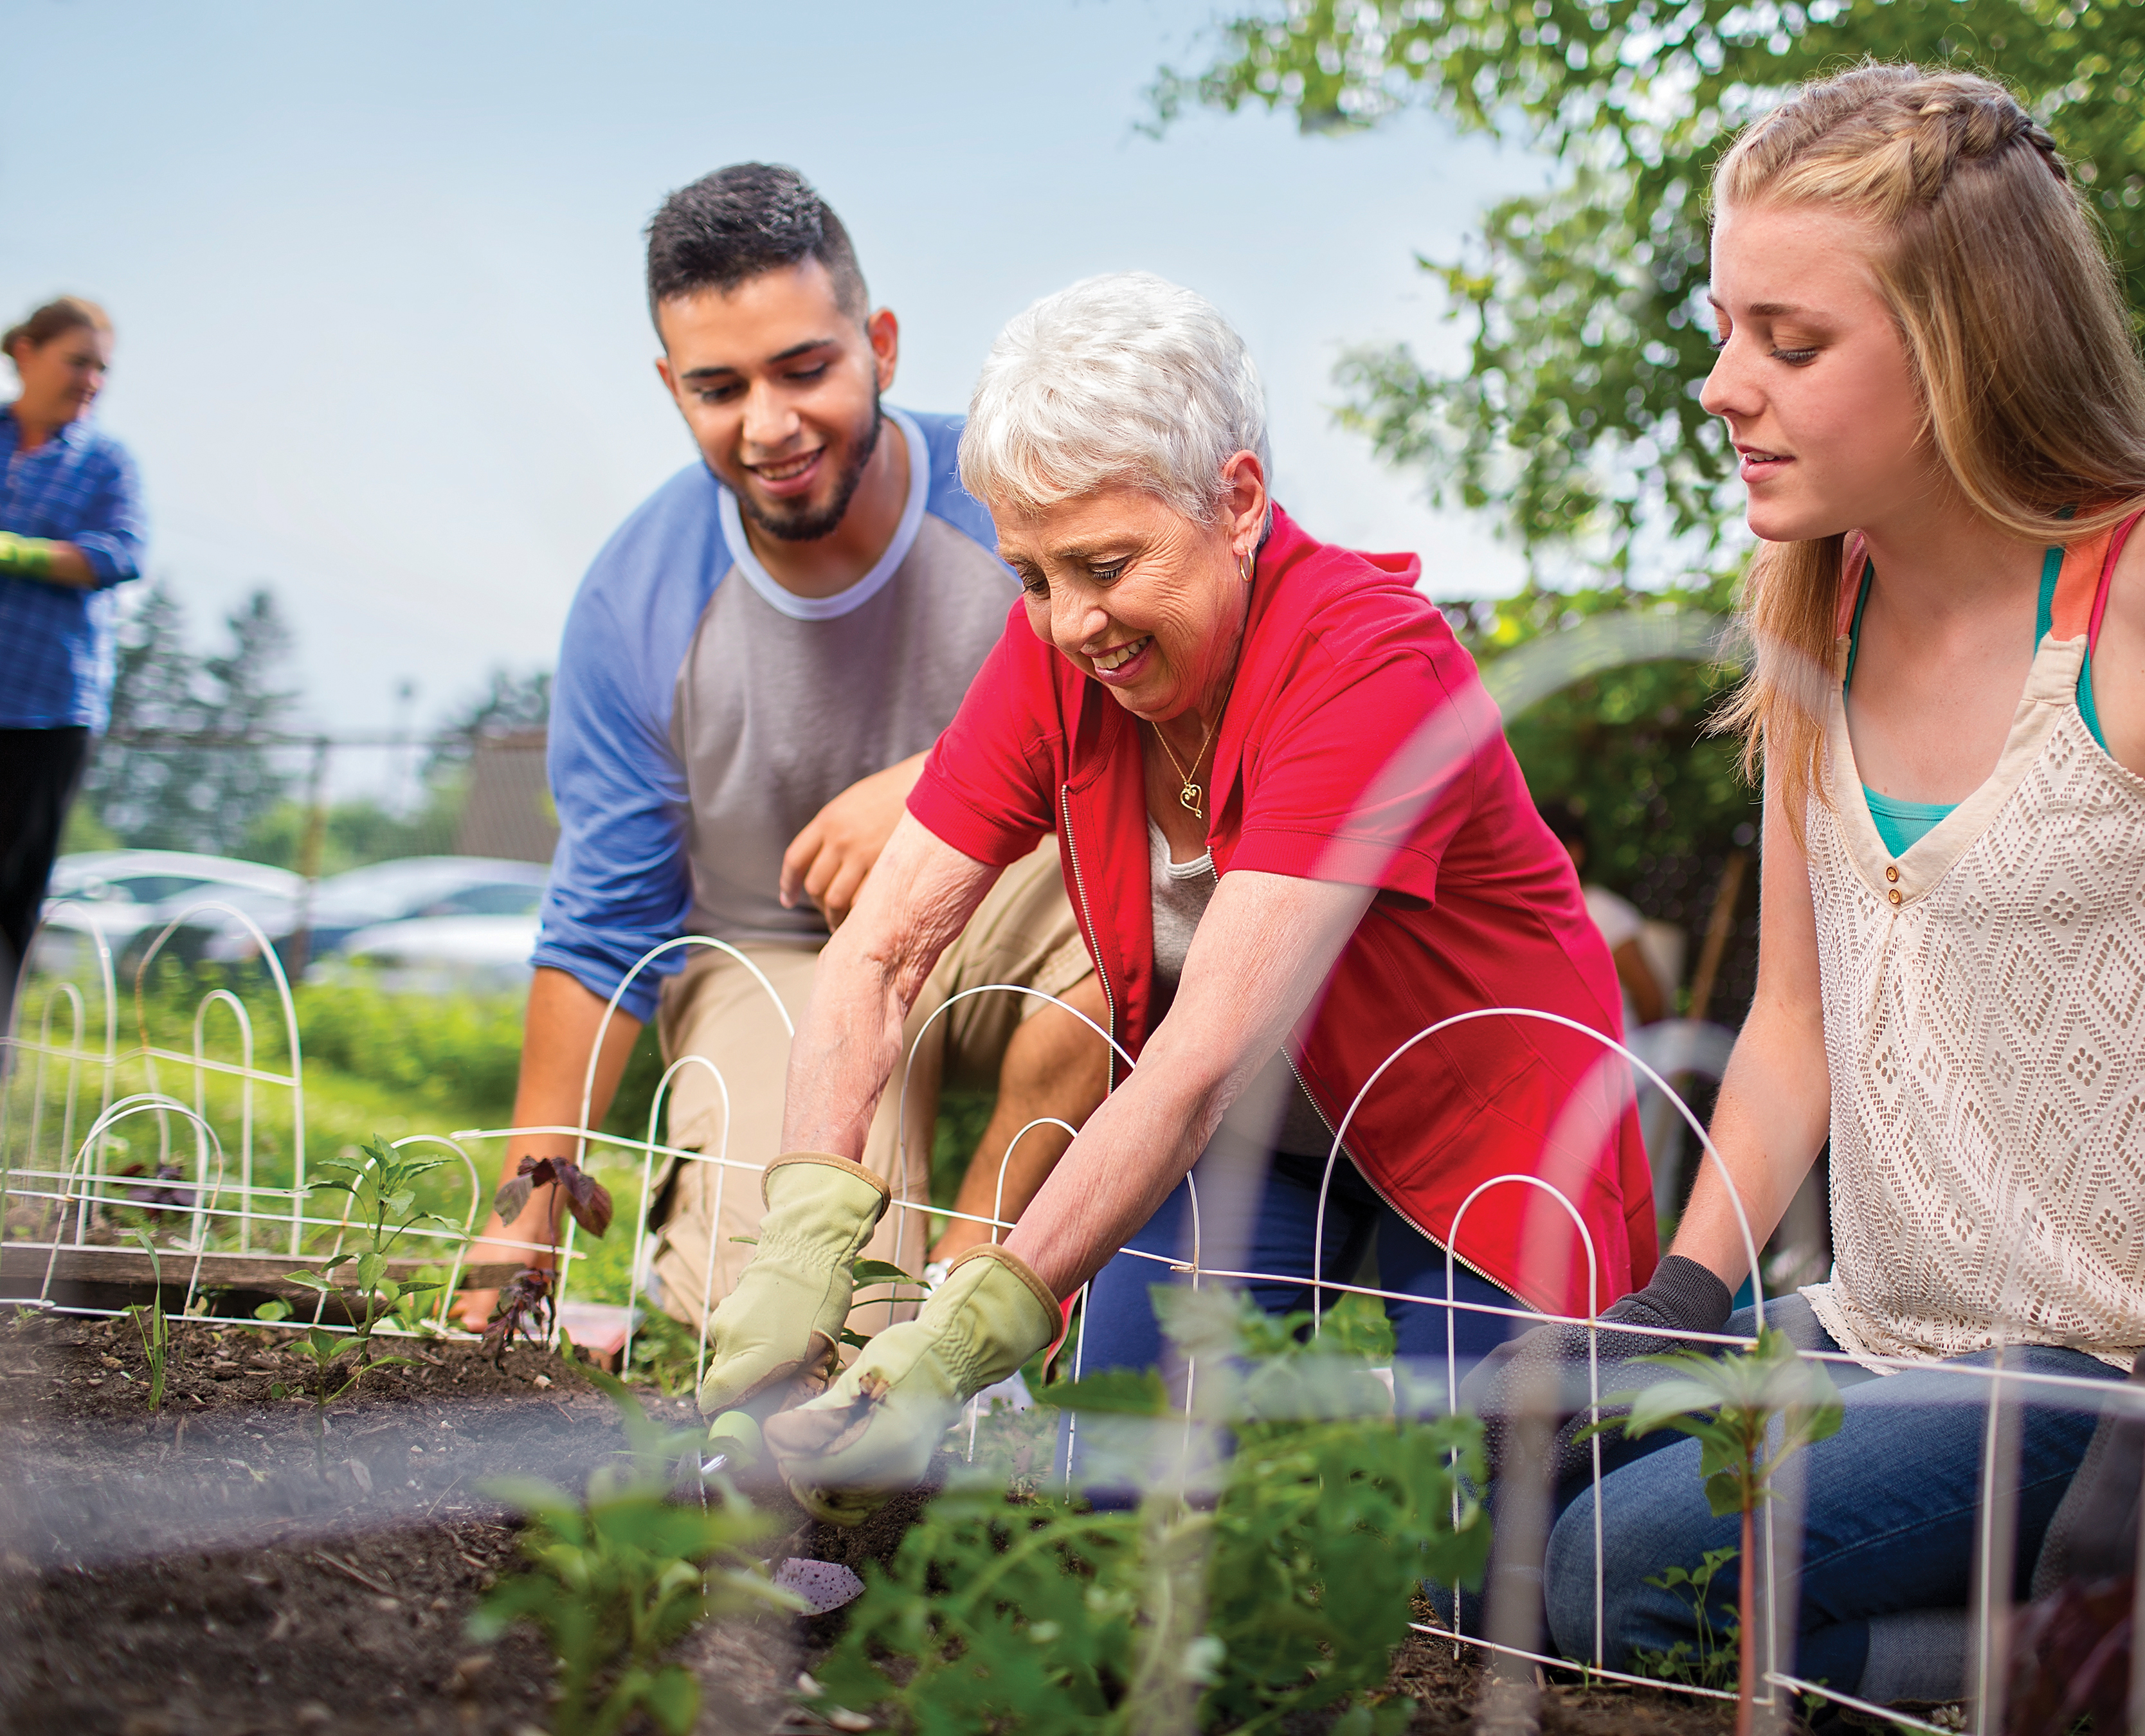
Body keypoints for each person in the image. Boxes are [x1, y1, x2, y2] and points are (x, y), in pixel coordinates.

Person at [1489, 64, 2145, 1708]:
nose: (1721, 385)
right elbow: (1794, 1022)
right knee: (1484, 1520)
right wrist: (1683, 1300)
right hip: (1907, 1348)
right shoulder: (1809, 601)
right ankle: (2136, 1620)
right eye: (1723, 329)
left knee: (1612, 1585)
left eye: (1789, 342)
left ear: (1961, 345)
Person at [693, 272, 1660, 1519]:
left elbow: (1196, 1062)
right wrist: (806, 1232)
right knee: (1117, 1495)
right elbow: (879, 953)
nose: (1071, 623)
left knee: (1480, 1562)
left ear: (1238, 502)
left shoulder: (1368, 662)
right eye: (1033, 574)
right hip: (1257, 1131)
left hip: (1484, 1123)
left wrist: (968, 1321)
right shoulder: (1051, 658)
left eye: (1106, 564)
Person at [458, 166, 1108, 1335]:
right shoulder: (633, 604)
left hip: (996, 907)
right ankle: (789, 1291)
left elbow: (1163, 700)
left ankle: (982, 1294)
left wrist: (935, 791)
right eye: (719, 388)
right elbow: (603, 924)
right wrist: (523, 1212)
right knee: (797, 1331)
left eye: (806, 369)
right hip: (773, 956)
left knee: (1147, 903)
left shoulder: (1015, 503)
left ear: (883, 346)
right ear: (672, 390)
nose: (769, 424)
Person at [1, 297, 144, 1004]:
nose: (91, 379)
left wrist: (21, 554)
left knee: (6, 893)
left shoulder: (105, 463)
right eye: (77, 361)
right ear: (27, 351)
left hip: (46, 708)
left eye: (101, 369)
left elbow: (120, 553)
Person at [1537, 802, 1670, 1027]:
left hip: (1611, 1058)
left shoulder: (1607, 916)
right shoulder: (1533, 912)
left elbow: (1652, 1002)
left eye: (1539, 847)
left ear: (1574, 852)